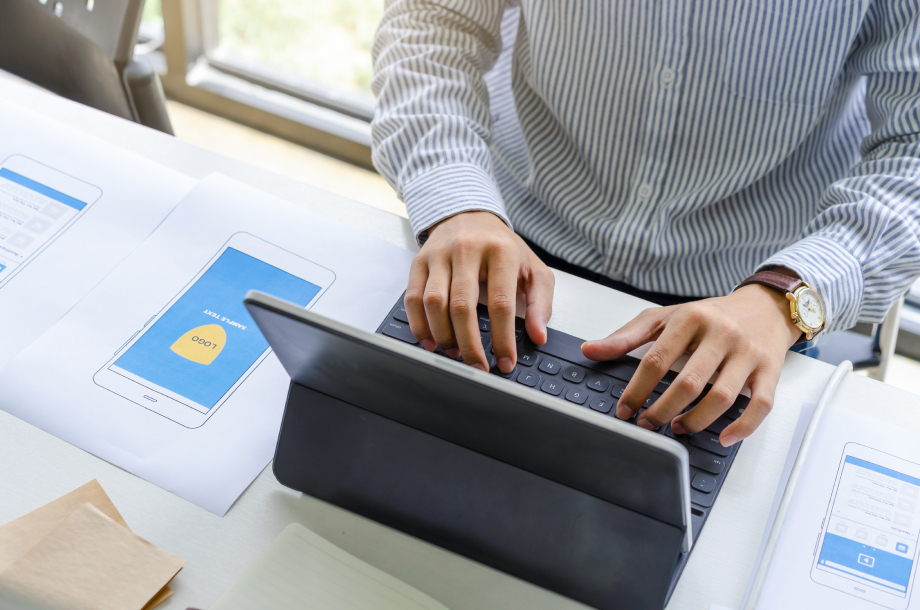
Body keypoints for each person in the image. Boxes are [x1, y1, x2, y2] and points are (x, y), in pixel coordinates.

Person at [370, 1, 920, 447]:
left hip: (750, 308)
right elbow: (434, 24)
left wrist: (789, 295)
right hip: (504, 244)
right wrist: (457, 200)